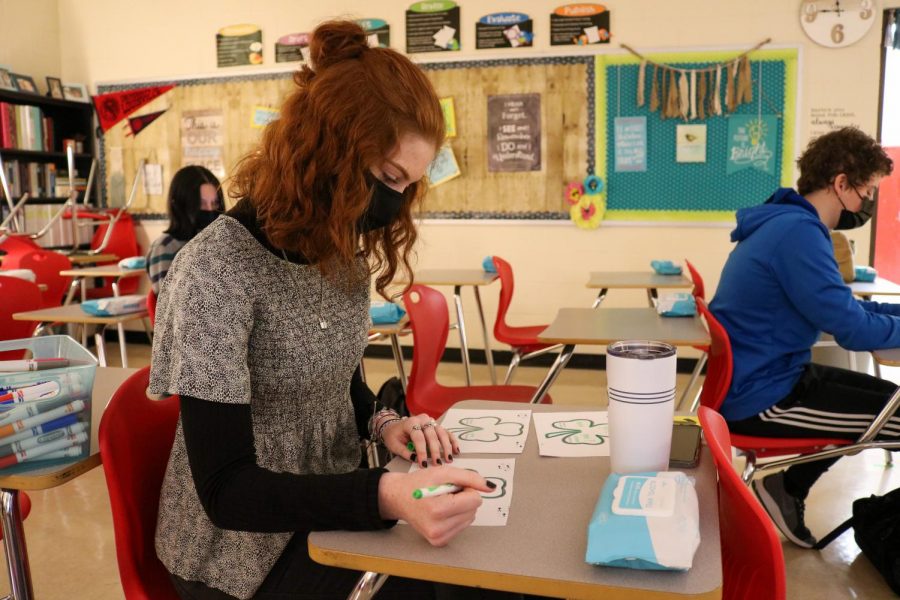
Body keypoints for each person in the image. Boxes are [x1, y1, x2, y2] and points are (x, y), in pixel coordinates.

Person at [149, 21, 517, 600]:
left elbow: (341, 388)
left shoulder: (337, 252)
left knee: (491, 570)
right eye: (388, 178)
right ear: (330, 151)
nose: (394, 204)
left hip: (328, 503)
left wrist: (386, 424)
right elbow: (227, 492)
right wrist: (382, 497)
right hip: (235, 555)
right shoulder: (216, 271)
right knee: (457, 588)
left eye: (409, 186)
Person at [709, 127, 900, 549]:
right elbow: (852, 330)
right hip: (763, 399)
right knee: (894, 417)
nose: (867, 203)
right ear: (841, 183)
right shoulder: (799, 234)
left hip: (768, 376)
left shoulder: (788, 224)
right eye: (867, 190)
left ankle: (786, 486)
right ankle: (790, 488)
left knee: (889, 401)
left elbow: (844, 310)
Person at [146, 165, 224, 294]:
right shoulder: (165, 247)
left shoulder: (220, 241)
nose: (210, 210)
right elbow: (167, 301)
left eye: (214, 203)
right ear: (182, 205)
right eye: (202, 203)